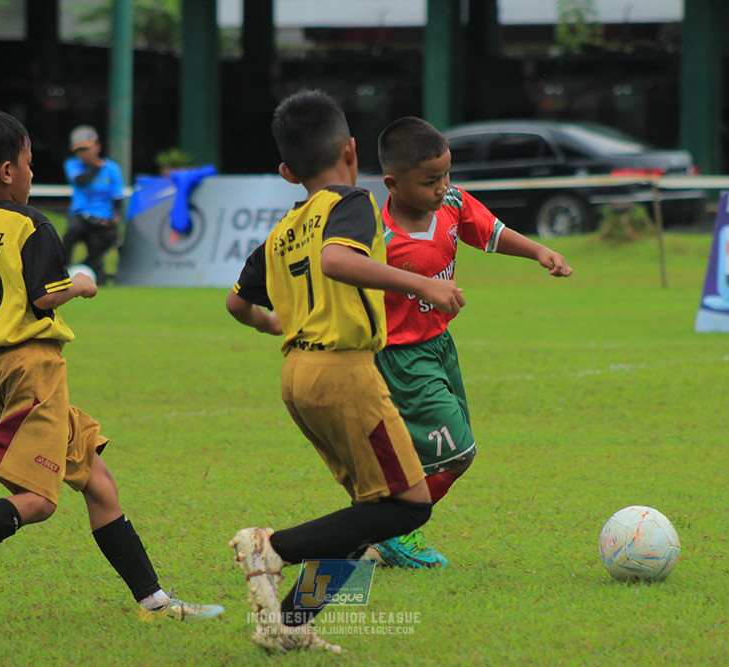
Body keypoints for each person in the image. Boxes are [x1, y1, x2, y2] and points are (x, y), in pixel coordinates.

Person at [0, 105, 223, 634]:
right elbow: (47, 298)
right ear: (8, 171)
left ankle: (155, 600)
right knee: (39, 501)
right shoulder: (31, 224)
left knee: (98, 480)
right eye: (27, 163)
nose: (30, 173)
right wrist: (84, 284)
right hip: (33, 367)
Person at [225, 91, 466, 655]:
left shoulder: (284, 230)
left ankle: (288, 622)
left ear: (287, 171)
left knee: (369, 508)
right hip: (345, 371)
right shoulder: (349, 202)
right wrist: (425, 284)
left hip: (296, 374)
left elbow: (237, 305)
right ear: (352, 151)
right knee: (409, 506)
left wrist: (277, 323)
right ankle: (271, 546)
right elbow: (337, 260)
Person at [364, 116, 573, 569]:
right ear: (392, 184)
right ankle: (390, 530)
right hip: (401, 357)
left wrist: (539, 251)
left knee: (443, 451)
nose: (443, 187)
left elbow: (491, 232)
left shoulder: (453, 204)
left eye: (446, 175)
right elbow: (345, 281)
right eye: (430, 181)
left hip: (440, 347)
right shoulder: (379, 240)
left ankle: (381, 520)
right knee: (457, 454)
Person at [61, 124, 125, 285]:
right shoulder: (72, 164)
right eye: (78, 150)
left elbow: (117, 198)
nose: (82, 154)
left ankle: (84, 268)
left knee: (111, 237)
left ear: (97, 147)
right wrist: (96, 166)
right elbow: (80, 181)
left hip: (103, 218)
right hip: (81, 215)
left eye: (86, 149)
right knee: (72, 231)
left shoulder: (112, 169)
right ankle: (62, 270)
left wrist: (115, 218)